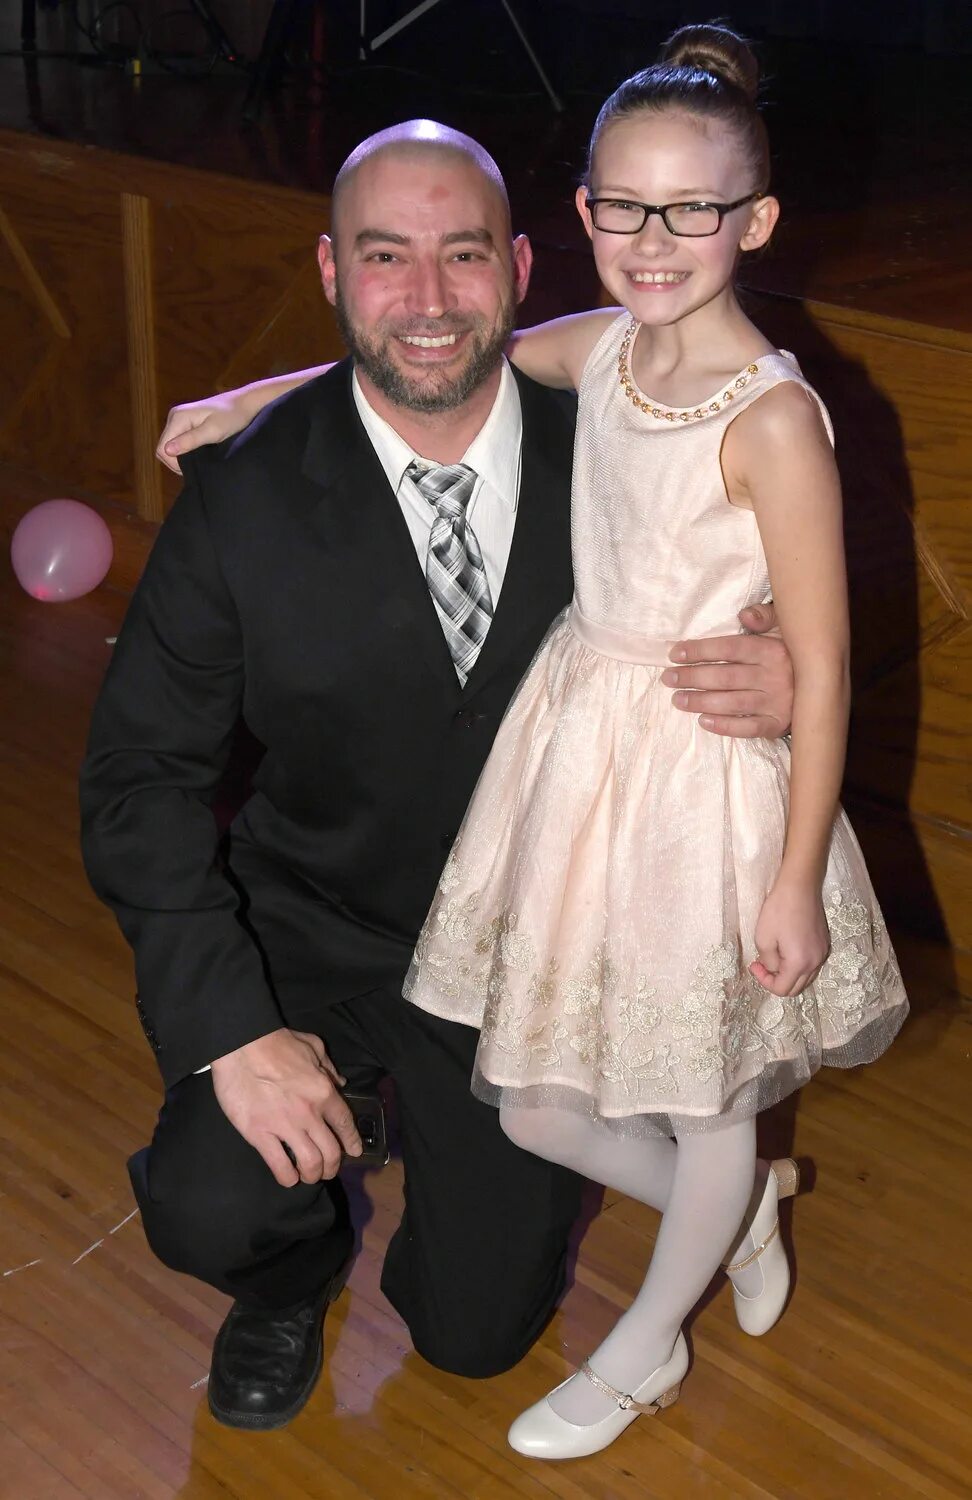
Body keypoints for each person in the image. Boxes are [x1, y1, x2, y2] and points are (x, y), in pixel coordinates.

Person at [81, 116, 796, 1436]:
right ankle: (290, 1279)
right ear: (331, 272)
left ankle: (472, 1145)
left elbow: (776, 599)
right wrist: (233, 1031)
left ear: (522, 268)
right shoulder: (243, 500)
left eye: (461, 256)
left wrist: (785, 671)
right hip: (319, 927)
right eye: (384, 257)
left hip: (533, 957)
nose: (424, 298)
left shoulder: (631, 451)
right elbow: (137, 782)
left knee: (473, 1338)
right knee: (210, 1199)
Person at [399, 26, 911, 1460]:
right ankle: (735, 1212)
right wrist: (257, 401)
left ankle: (644, 1349)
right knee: (545, 1112)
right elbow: (457, 365)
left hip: (703, 785)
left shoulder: (776, 420)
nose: (653, 237)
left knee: (706, 1092)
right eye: (623, 205)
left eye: (693, 210)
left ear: (753, 223)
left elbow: (823, 665)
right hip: (579, 759)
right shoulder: (604, 352)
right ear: (583, 212)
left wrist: (797, 878)